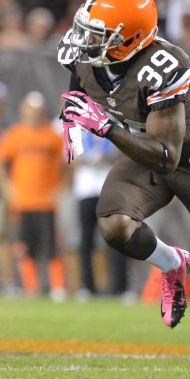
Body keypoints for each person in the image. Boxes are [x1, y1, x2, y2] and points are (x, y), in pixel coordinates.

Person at [57, 0, 190, 327]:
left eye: (98, 34)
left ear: (131, 39)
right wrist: (73, 126)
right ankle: (171, 264)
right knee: (114, 225)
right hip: (139, 152)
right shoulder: (85, 56)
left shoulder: (163, 67)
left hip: (188, 157)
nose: (85, 41)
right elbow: (79, 86)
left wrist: (107, 128)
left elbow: (166, 155)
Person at [0, 92, 67, 298]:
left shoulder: (52, 136)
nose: (33, 114)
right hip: (22, 201)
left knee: (51, 247)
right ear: (23, 110)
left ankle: (57, 287)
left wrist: (60, 188)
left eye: (37, 111)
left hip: (46, 202)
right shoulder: (15, 135)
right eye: (30, 110)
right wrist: (6, 187)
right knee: (25, 247)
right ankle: (31, 286)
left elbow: (69, 163)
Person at [70, 128, 129, 300]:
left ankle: (120, 287)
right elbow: (70, 158)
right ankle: (87, 286)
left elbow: (124, 153)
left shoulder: (113, 127)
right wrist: (87, 160)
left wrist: (107, 157)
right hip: (86, 190)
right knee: (86, 240)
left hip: (109, 187)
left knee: (116, 238)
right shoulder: (76, 130)